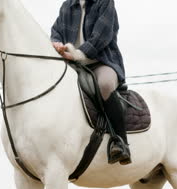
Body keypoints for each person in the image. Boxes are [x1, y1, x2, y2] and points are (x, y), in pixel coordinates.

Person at [50, 0, 131, 165]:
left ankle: (120, 142)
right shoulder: (67, 5)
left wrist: (79, 53)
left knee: (105, 85)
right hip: (73, 65)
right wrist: (56, 44)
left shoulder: (105, 2)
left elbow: (103, 35)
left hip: (102, 61)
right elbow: (56, 31)